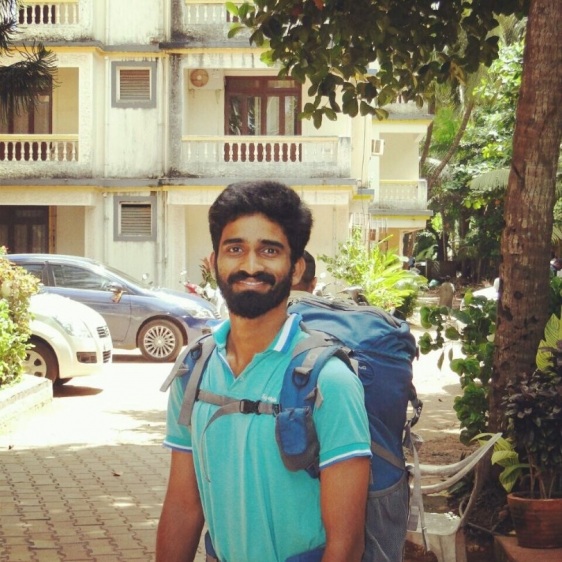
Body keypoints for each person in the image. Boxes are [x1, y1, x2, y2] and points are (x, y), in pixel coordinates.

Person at [156, 180, 372, 562]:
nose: (251, 266)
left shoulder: (330, 382)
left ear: (296, 267)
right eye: (235, 249)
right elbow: (183, 507)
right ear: (214, 262)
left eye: (269, 250)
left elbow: (346, 544)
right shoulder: (193, 371)